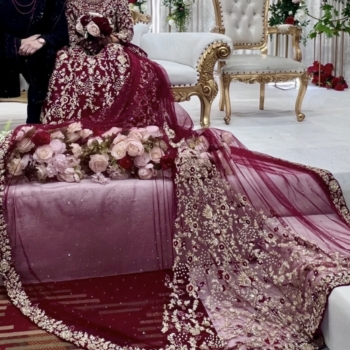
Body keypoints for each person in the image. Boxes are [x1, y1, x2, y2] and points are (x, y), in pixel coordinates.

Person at [1, 0, 350, 349]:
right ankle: (78, 132)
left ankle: (125, 129)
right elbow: (66, 35)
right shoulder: (71, 2)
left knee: (126, 64)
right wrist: (83, 38)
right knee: (70, 64)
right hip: (81, 51)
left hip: (114, 49)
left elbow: (127, 31)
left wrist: (109, 38)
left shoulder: (118, 3)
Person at [0, 0, 69, 123]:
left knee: (47, 59)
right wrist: (18, 43)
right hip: (5, 49)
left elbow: (62, 32)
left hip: (39, 51)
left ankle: (35, 125)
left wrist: (42, 40)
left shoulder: (52, 3)